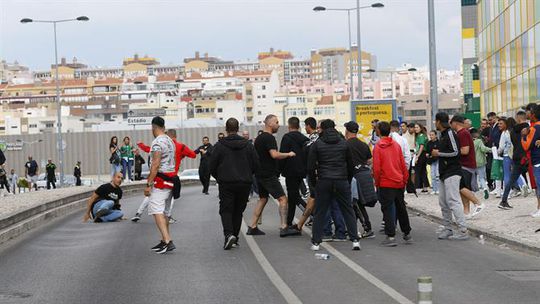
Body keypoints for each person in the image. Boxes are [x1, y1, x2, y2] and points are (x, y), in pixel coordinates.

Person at [307, 119, 361, 251]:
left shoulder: (317, 144)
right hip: (341, 180)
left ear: (323, 129)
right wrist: (346, 180)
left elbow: (310, 167)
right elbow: (351, 165)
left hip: (324, 180)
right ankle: (355, 241)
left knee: (320, 211)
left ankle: (316, 242)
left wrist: (315, 184)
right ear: (334, 128)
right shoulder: (344, 143)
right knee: (347, 210)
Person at [210, 118, 260, 250]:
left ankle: (229, 235)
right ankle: (235, 238)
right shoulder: (248, 145)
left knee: (226, 210)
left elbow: (212, 165)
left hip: (226, 182)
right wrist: (248, 175)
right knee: (238, 210)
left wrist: (219, 177)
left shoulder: (219, 145)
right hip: (244, 183)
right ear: (238, 129)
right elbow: (256, 164)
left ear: (226, 129)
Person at [247, 114, 300, 237]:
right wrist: (289, 154)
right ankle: (284, 227)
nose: (278, 124)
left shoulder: (259, 138)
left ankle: (252, 226)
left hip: (259, 174)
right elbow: (274, 155)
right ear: (270, 123)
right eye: (276, 122)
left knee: (263, 199)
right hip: (268, 174)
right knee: (283, 199)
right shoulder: (269, 138)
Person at [131, 129, 196, 223]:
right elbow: (193, 155)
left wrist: (140, 144)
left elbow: (149, 149)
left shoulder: (161, 144)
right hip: (171, 177)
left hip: (159, 175)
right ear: (175, 136)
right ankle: (167, 216)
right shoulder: (180, 146)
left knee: (151, 195)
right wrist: (182, 155)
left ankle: (138, 213)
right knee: (171, 197)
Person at [373, 121, 411, 246]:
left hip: (385, 182)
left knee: (388, 209)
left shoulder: (378, 147)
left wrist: (377, 182)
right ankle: (407, 233)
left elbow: (377, 168)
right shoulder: (396, 145)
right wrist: (404, 178)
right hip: (398, 181)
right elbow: (402, 163)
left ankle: (390, 236)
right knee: (401, 208)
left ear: (378, 131)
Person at [432, 112, 469, 240]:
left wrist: (439, 153)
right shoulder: (442, 135)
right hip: (444, 173)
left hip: (452, 172)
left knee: (453, 201)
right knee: (443, 202)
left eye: (435, 121)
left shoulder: (450, 134)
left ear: (438, 121)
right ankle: (448, 228)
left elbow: (456, 152)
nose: (434, 124)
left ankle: (463, 230)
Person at [145, 116, 177, 254]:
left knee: (156, 210)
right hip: (172, 180)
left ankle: (168, 241)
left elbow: (155, 164)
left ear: (153, 127)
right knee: (165, 213)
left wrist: (148, 184)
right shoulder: (170, 140)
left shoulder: (157, 142)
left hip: (161, 181)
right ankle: (164, 240)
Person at [451, 114, 485, 218]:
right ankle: (466, 212)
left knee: (461, 187)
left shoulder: (463, 133)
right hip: (465, 165)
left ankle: (478, 203)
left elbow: (465, 150)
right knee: (463, 188)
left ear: (455, 123)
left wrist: (452, 152)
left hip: (466, 165)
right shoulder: (462, 133)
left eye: (451, 123)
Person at [344, 121, 375, 238]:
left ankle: (366, 228)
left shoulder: (345, 145)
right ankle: (358, 228)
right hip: (365, 174)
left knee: (355, 203)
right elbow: (370, 160)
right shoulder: (363, 144)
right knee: (359, 203)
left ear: (347, 131)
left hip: (354, 176)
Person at [279, 116, 309, 228]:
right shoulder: (304, 139)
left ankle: (310, 213)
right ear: (299, 126)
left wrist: (279, 170)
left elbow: (283, 155)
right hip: (301, 171)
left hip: (290, 171)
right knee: (293, 196)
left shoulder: (286, 138)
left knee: (293, 196)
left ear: (289, 126)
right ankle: (289, 221)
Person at [499, 114, 530, 209]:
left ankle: (503, 201)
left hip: (516, 156)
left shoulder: (511, 132)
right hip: (527, 156)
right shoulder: (527, 129)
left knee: (512, 178)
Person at [294, 117, 319, 231]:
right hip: (318, 172)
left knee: (314, 197)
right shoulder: (316, 139)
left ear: (308, 126)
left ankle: (302, 223)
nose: (305, 128)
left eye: (305, 125)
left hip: (314, 172)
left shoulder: (312, 140)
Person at [521, 104, 540, 218]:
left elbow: (526, 146)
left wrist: (524, 136)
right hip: (535, 160)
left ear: (532, 113)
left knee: (539, 185)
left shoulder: (534, 128)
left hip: (537, 160)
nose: (526, 113)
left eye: (527, 111)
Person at [471, 128, 491, 199]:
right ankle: (485, 189)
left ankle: (474, 192)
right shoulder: (479, 141)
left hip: (472, 162)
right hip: (480, 162)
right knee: (482, 177)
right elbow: (483, 148)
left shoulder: (470, 142)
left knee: (473, 178)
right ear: (476, 134)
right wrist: (491, 149)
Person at [488, 112, 502, 194]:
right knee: (495, 169)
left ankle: (500, 187)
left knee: (499, 169)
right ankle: (497, 187)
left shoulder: (498, 126)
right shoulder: (491, 127)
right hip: (493, 150)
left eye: (491, 119)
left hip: (498, 150)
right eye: (489, 120)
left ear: (495, 117)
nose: (490, 121)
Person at [414, 123, 429, 193]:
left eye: (417, 127)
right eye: (415, 127)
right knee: (423, 171)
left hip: (421, 154)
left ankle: (417, 187)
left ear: (420, 128)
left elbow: (421, 146)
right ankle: (425, 187)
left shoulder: (420, 136)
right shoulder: (422, 135)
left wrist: (417, 156)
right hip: (422, 154)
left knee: (418, 170)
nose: (415, 129)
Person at [425, 130, 440, 194]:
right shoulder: (429, 143)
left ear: (436, 135)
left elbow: (439, 151)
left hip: (438, 160)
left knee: (437, 175)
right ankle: (434, 189)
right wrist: (427, 154)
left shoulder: (439, 142)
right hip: (431, 161)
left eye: (432, 135)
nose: (431, 136)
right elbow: (427, 151)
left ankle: (438, 189)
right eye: (430, 135)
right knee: (432, 175)